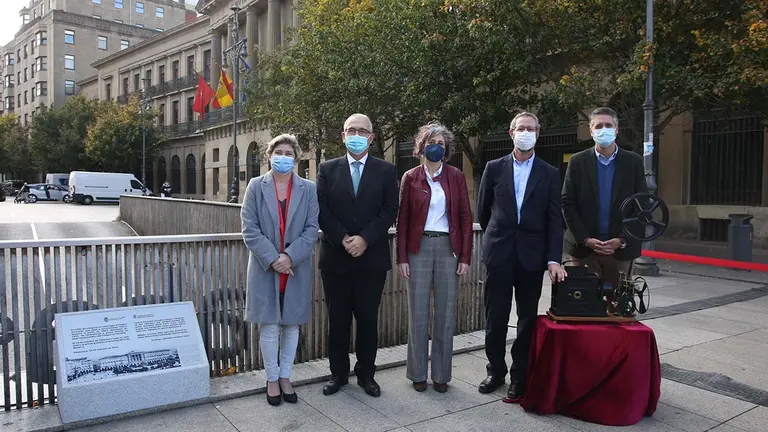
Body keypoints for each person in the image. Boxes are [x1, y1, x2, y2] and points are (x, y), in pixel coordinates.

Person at [476, 112, 567, 402]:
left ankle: (519, 375)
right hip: (499, 253)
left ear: (537, 134)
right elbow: (483, 211)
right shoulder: (494, 167)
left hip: (531, 257)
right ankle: (496, 370)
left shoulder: (550, 173)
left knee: (527, 319)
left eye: (530, 128)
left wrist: (554, 258)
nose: (525, 132)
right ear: (511, 132)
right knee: (495, 317)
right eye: (520, 128)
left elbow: (555, 220)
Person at [317, 113, 399, 398]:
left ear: (371, 137)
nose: (356, 134)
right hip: (336, 260)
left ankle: (367, 374)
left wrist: (365, 239)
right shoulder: (326, 169)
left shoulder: (387, 171)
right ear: (342, 136)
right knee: (337, 321)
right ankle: (338, 374)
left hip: (371, 259)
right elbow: (322, 210)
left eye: (362, 130)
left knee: (367, 320)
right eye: (351, 130)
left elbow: (389, 210)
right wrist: (343, 239)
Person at [241, 134, 320, 406]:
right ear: (269, 156)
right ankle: (272, 378)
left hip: (295, 269)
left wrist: (290, 257)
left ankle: (287, 376)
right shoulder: (255, 186)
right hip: (267, 268)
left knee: (292, 325)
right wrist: (275, 258)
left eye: (289, 153)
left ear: (296, 158)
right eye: (279, 152)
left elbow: (312, 229)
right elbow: (249, 228)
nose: (283, 157)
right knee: (270, 326)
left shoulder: (308, 188)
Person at [396, 121, 472, 393]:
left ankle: (441, 375)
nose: (436, 147)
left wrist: (465, 256)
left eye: (440, 144)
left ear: (447, 149)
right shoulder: (410, 177)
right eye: (431, 142)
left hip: (447, 249)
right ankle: (417, 373)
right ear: (421, 146)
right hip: (418, 249)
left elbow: (465, 216)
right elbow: (402, 219)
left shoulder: (456, 176)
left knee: (445, 314)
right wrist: (402, 257)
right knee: (417, 313)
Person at [562, 107, 648, 293]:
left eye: (608, 125)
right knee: (582, 307)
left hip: (619, 252)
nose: (604, 129)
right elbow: (568, 203)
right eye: (598, 126)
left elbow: (642, 207)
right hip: (584, 250)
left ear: (616, 129)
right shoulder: (577, 162)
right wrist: (585, 239)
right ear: (591, 131)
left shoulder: (633, 162)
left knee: (618, 307)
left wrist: (622, 240)